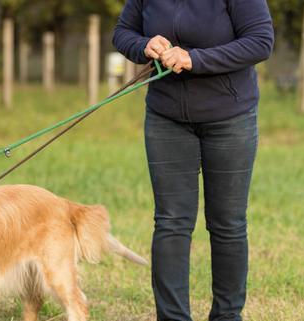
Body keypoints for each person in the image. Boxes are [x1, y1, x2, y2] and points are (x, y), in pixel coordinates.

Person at [112, 1, 274, 320]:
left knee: (227, 223)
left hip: (230, 117)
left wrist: (193, 58)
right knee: (171, 222)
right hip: (166, 117)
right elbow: (122, 33)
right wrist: (144, 45)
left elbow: (260, 41)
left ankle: (227, 316)